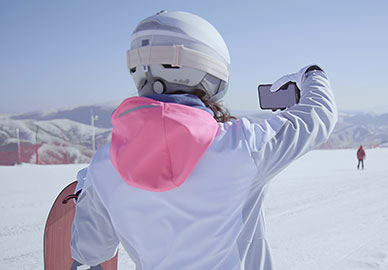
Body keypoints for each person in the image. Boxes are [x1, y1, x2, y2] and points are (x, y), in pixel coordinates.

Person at [70, 11, 337, 269]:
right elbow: (318, 116)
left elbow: (92, 251)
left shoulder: (105, 164)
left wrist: (91, 192)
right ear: (210, 70)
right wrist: (312, 74)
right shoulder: (242, 147)